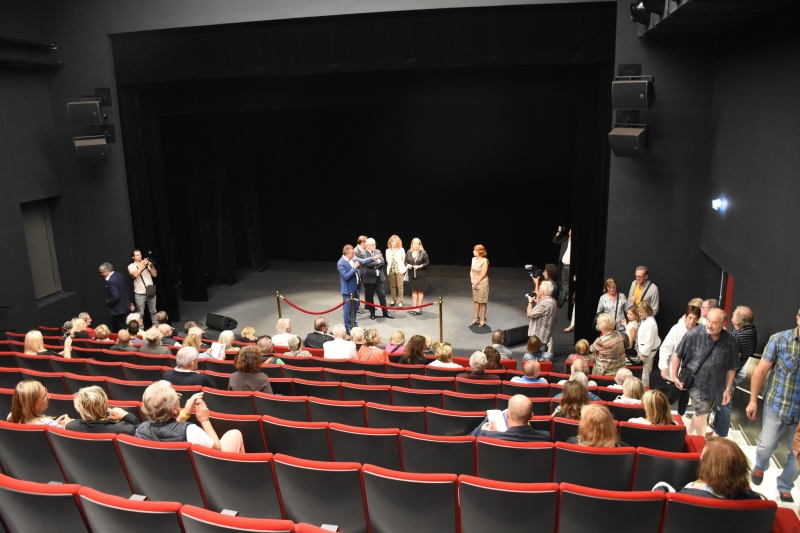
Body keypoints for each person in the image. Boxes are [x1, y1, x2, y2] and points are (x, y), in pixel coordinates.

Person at [746, 310, 800, 503]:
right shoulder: (780, 340)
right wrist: (753, 400)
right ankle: (760, 466)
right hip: (776, 405)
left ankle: (785, 486)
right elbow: (760, 371)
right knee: (766, 446)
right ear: (798, 318)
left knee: (798, 457)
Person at [673, 308, 737, 437]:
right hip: (694, 382)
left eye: (714, 322)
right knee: (703, 412)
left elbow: (732, 366)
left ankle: (689, 435)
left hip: (714, 385)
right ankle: (701, 447)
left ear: (723, 324)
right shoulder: (694, 334)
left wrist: (728, 388)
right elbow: (677, 354)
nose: (710, 325)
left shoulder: (729, 340)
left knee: (700, 412)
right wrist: (674, 376)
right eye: (708, 320)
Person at [136, 382, 243, 452]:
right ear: (174, 409)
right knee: (235, 434)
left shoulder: (141, 429)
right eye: (177, 396)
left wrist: (185, 413)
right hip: (192, 474)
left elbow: (167, 429)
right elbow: (216, 449)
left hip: (164, 475)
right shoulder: (190, 430)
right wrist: (204, 420)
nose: (178, 398)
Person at [660, 438, 761, 500]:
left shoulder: (683, 496)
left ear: (708, 469)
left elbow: (660, 491)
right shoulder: (754, 499)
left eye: (702, 461)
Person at [713, 306, 757, 438]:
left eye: (733, 314)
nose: (731, 315)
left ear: (737, 321)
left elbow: (733, 361)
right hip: (736, 372)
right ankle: (716, 426)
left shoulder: (737, 337)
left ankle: (721, 433)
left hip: (730, 375)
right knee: (721, 402)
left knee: (724, 404)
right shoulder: (752, 331)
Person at [660, 305, 701, 416]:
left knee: (685, 395)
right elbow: (666, 347)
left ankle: (680, 418)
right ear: (685, 317)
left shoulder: (700, 331)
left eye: (695, 319)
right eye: (690, 318)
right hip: (678, 369)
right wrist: (663, 366)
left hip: (692, 371)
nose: (692, 321)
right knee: (675, 393)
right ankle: (665, 417)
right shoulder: (677, 329)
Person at [469, 394, 551, 442]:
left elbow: (471, 441)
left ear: (507, 414)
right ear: (531, 416)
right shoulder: (545, 437)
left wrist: (484, 431)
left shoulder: (486, 436)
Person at [66, 386, 140, 435]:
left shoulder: (70, 427)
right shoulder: (125, 429)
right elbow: (142, 435)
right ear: (105, 406)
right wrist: (127, 416)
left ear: (79, 409)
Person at [338, 244, 370, 333]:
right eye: (352, 253)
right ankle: (347, 327)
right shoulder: (341, 263)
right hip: (347, 290)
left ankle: (355, 324)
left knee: (355, 307)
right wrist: (354, 267)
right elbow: (346, 276)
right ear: (347, 253)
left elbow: (363, 261)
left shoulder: (353, 259)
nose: (354, 254)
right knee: (347, 310)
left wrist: (373, 258)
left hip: (355, 288)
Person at [360, 238, 394, 320]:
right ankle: (372, 313)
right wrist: (377, 262)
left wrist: (376, 263)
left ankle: (385, 312)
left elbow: (382, 262)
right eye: (372, 245)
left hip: (379, 278)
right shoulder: (363, 254)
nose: (374, 246)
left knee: (382, 296)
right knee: (370, 297)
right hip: (369, 279)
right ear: (368, 246)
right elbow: (368, 264)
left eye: (375, 244)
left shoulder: (377, 251)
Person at [99, 262, 134, 331]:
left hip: (118, 309)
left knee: (122, 327)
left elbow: (116, 296)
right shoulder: (119, 275)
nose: (101, 274)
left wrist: (108, 303)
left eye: (102, 272)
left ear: (107, 270)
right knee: (115, 325)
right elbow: (126, 289)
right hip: (124, 306)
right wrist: (130, 302)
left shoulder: (111, 281)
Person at [128, 249, 158, 327]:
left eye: (140, 254)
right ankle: (141, 330)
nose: (139, 256)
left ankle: (156, 328)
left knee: (153, 311)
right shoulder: (131, 266)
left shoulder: (147, 264)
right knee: (140, 313)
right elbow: (135, 275)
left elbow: (154, 275)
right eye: (137, 255)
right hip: (139, 292)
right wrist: (142, 265)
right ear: (133, 257)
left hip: (150, 290)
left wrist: (151, 266)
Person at [636, 302, 661, 387]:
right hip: (643, 349)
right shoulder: (645, 319)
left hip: (648, 350)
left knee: (645, 370)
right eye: (639, 311)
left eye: (642, 312)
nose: (640, 314)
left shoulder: (650, 323)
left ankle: (645, 388)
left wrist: (643, 354)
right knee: (644, 370)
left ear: (647, 311)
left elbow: (649, 341)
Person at [527, 280, 556, 351]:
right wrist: (537, 301)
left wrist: (530, 302)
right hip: (544, 336)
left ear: (542, 292)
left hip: (539, 338)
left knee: (536, 359)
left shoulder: (544, 304)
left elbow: (529, 314)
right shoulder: (552, 300)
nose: (538, 290)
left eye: (539, 289)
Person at [405, 238, 429, 315]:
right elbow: (405, 261)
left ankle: (419, 307)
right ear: (412, 245)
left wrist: (420, 266)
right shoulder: (408, 252)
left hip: (421, 275)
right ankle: (414, 305)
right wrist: (407, 265)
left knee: (420, 291)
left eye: (417, 244)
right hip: (412, 275)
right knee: (414, 290)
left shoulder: (423, 253)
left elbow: (427, 263)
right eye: (414, 244)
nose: (415, 245)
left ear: (419, 245)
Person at [470, 244, 489, 327]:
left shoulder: (485, 261)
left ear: (480, 252)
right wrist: (472, 280)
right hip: (474, 282)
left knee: (482, 301)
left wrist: (477, 282)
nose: (473, 251)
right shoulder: (473, 259)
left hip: (482, 283)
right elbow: (471, 271)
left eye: (475, 250)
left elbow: (483, 273)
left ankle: (483, 318)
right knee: (476, 301)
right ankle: (476, 317)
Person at [385, 235, 407, 308]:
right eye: (392, 242)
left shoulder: (401, 250)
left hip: (399, 270)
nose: (393, 243)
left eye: (395, 242)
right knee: (392, 286)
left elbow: (403, 259)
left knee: (400, 286)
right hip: (391, 270)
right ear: (390, 243)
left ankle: (400, 301)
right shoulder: (387, 251)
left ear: (397, 243)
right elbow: (387, 260)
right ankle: (393, 299)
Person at [553, 226, 571, 302]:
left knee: (571, 282)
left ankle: (571, 297)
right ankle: (566, 297)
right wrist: (559, 232)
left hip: (571, 266)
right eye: (570, 230)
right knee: (564, 282)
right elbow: (555, 241)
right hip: (564, 265)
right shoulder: (565, 239)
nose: (570, 231)